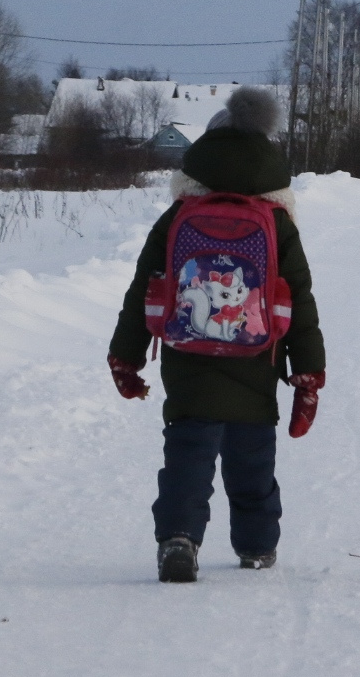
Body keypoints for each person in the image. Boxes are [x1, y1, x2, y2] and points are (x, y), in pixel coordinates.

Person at [106, 86, 327, 583]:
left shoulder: (177, 217)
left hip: (189, 358)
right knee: (252, 461)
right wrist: (307, 371)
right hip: (257, 359)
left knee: (187, 455)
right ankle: (256, 547)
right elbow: (301, 298)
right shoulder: (277, 222)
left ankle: (179, 538)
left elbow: (144, 289)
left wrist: (127, 356)